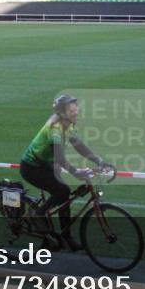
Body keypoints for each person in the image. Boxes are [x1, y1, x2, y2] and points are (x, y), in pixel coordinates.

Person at [20, 94, 105, 251]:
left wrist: (99, 161)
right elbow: (59, 157)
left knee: (64, 195)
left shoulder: (68, 125)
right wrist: (75, 172)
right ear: (63, 113)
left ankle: (66, 237)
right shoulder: (56, 129)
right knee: (63, 191)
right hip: (32, 168)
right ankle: (38, 214)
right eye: (72, 110)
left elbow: (79, 146)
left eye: (76, 109)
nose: (76, 112)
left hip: (45, 164)